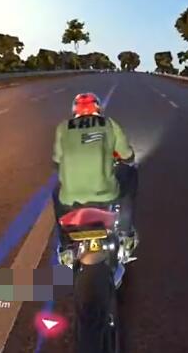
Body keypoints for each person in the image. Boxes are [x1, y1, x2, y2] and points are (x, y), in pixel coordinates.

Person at [53, 92, 139, 263]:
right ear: (97, 108)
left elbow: (56, 161)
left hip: (71, 198)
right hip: (105, 194)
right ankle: (126, 233)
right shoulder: (109, 124)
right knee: (130, 173)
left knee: (56, 192)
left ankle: (65, 246)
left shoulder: (63, 127)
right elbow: (127, 155)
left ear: (75, 110)